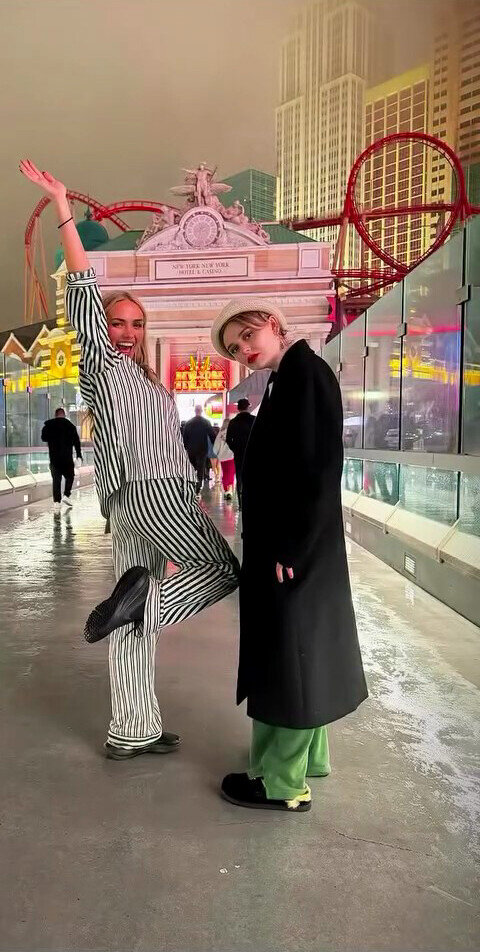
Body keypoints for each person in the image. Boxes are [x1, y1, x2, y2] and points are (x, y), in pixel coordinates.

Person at [20, 159, 239, 760]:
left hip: (126, 504)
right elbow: (82, 288)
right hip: (155, 491)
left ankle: (131, 728)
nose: (126, 331)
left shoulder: (142, 377)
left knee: (130, 618)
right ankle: (145, 602)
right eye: (116, 322)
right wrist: (63, 206)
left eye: (136, 324)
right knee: (221, 569)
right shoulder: (103, 365)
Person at [210, 296, 367, 813]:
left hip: (293, 548)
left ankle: (282, 784)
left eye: (247, 336)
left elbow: (316, 467)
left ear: (274, 325)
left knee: (289, 654)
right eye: (235, 348)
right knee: (301, 652)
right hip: (294, 545)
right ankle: (308, 758)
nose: (244, 350)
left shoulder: (305, 375)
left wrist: (292, 546)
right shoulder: (289, 376)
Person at [41, 407, 82, 513]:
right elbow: (77, 442)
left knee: (56, 480)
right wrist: (79, 456)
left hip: (54, 459)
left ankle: (57, 502)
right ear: (64, 415)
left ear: (55, 415)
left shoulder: (48, 426)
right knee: (70, 476)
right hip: (67, 458)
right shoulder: (70, 426)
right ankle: (66, 495)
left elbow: (43, 438)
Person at [225, 399, 254, 504]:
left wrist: (235, 449)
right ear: (248, 407)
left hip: (239, 454)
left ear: (238, 408)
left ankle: (241, 502)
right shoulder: (254, 420)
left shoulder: (233, 422)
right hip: (252, 453)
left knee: (239, 476)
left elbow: (228, 439)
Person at [182, 406, 215, 497]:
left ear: (195, 411)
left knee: (191, 468)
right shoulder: (206, 422)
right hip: (202, 449)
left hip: (191, 449)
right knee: (201, 468)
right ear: (201, 411)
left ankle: (191, 484)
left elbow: (184, 437)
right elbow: (212, 435)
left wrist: (185, 447)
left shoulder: (189, 423)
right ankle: (198, 488)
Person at [213, 417, 236, 501]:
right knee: (231, 474)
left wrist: (217, 453)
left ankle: (227, 490)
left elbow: (215, 447)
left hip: (223, 457)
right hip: (231, 456)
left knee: (225, 473)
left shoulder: (220, 434)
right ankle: (229, 491)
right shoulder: (234, 432)